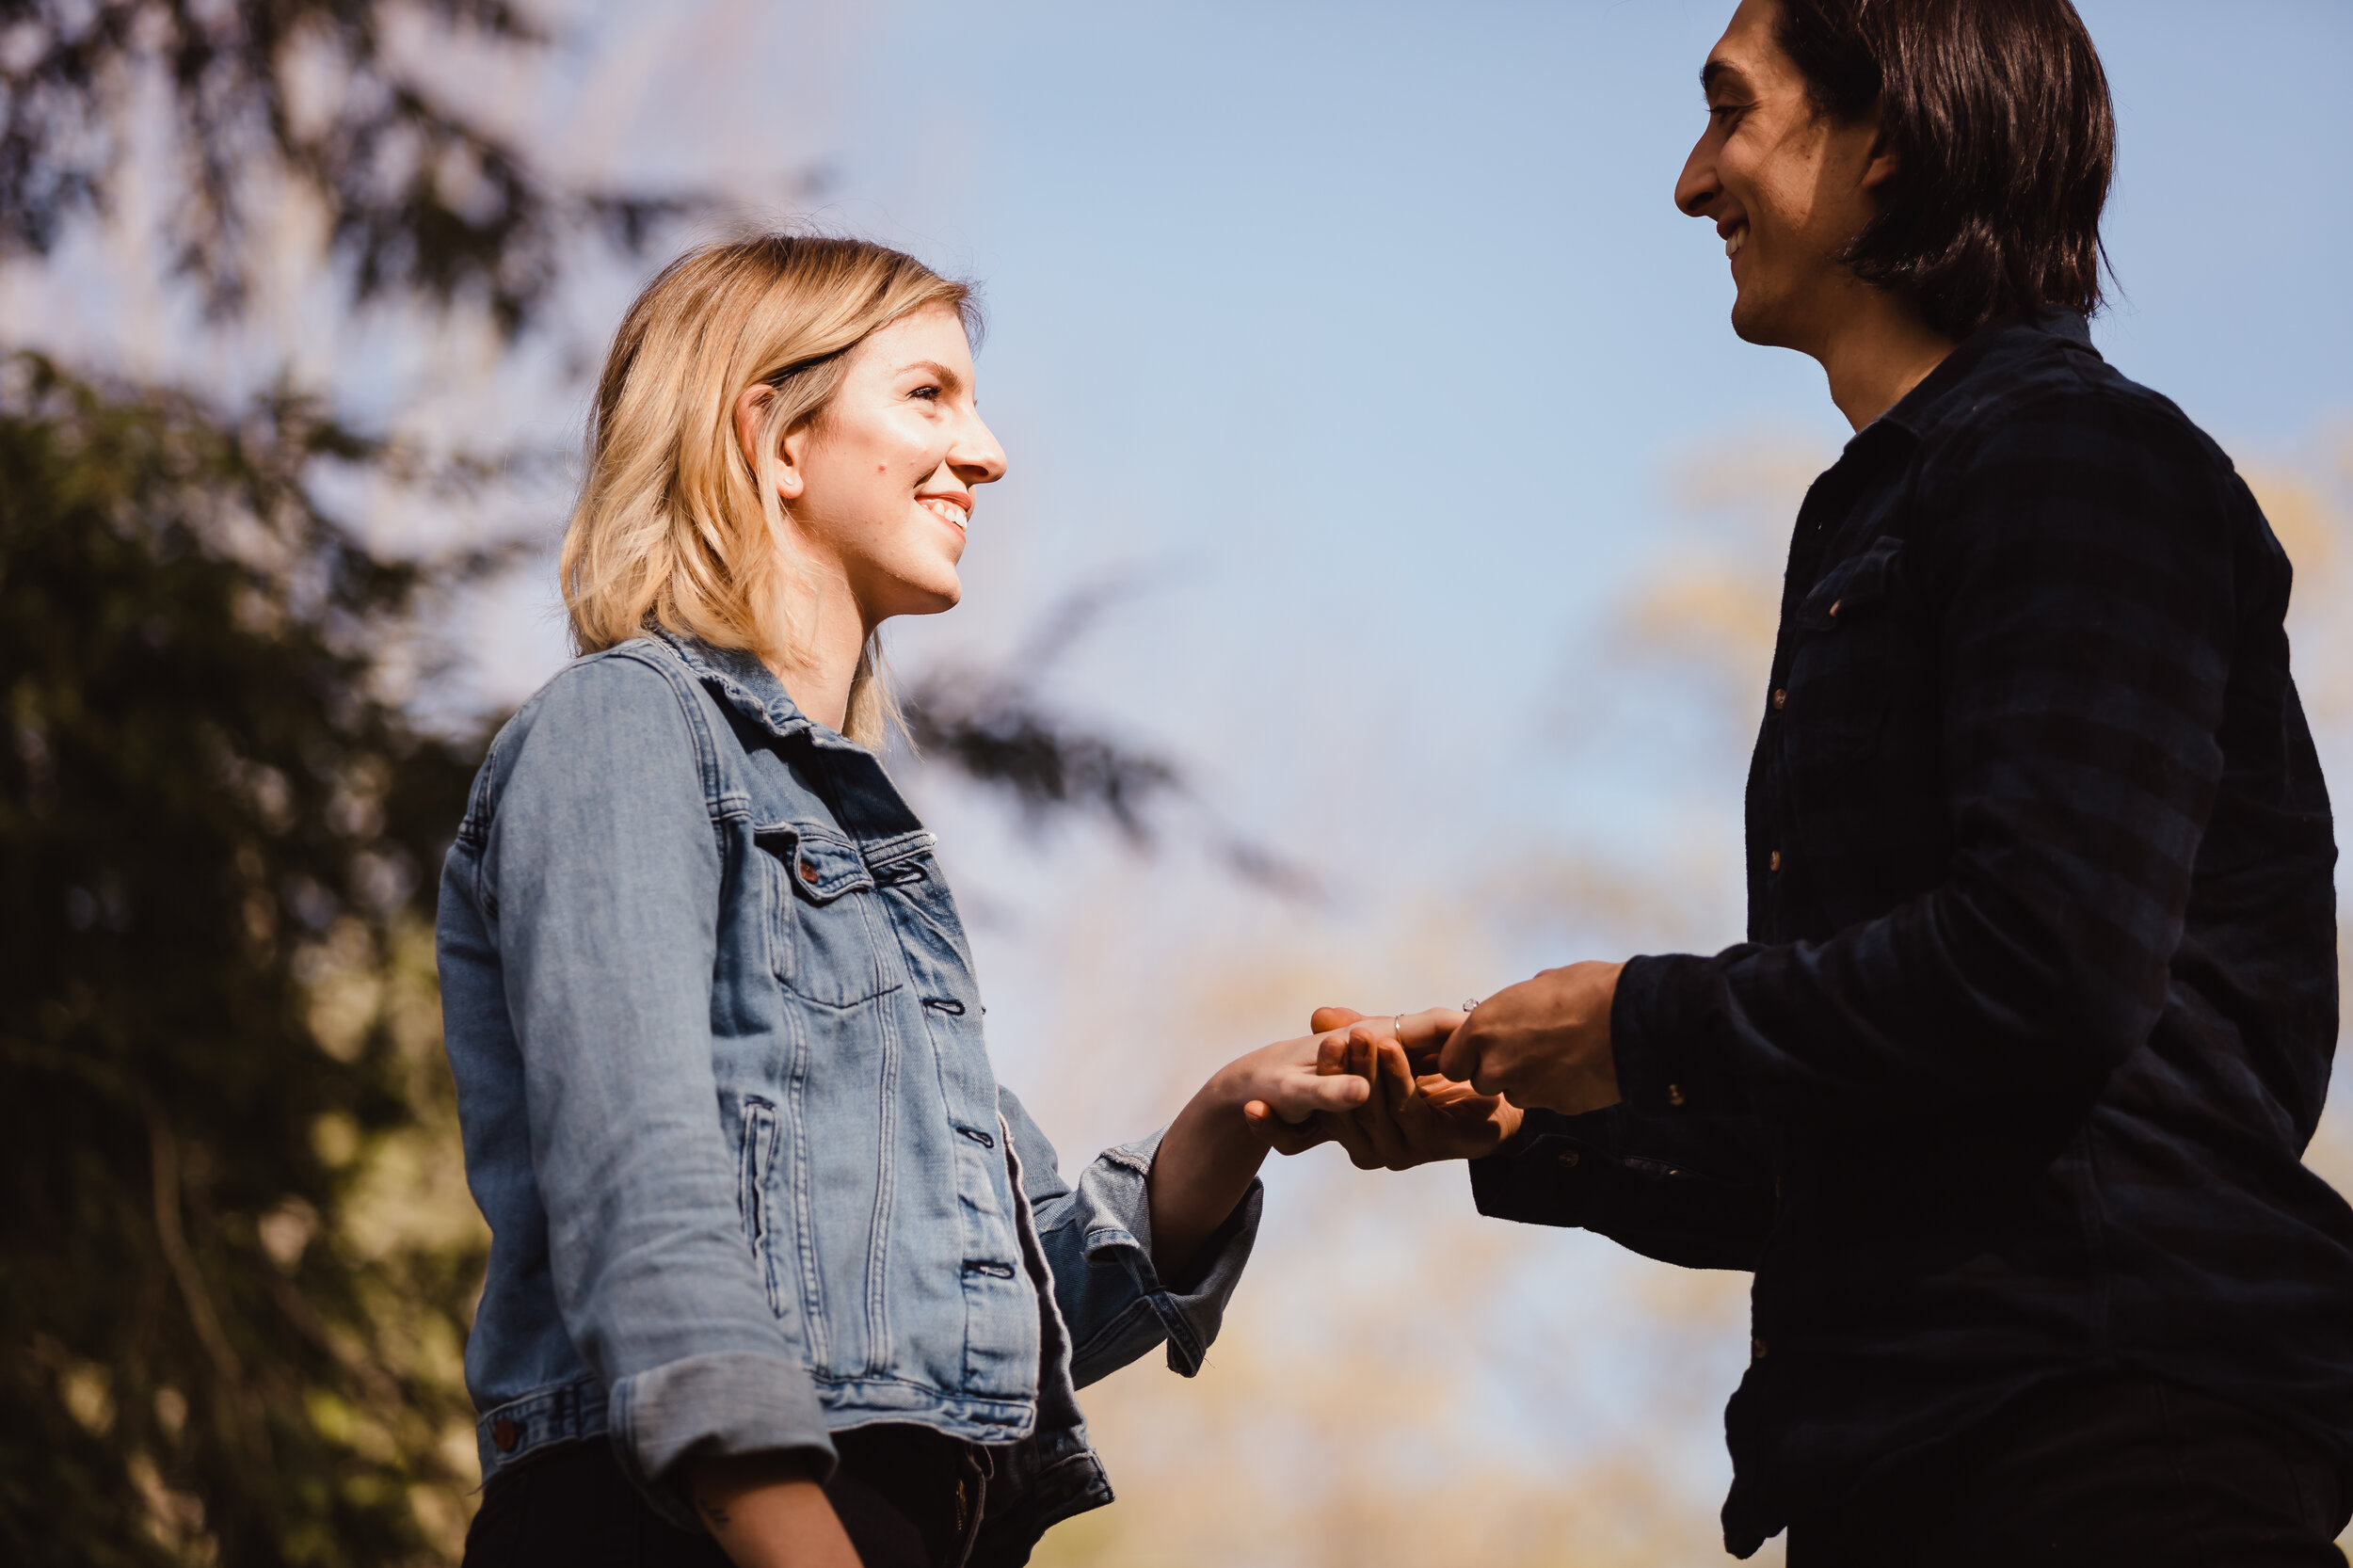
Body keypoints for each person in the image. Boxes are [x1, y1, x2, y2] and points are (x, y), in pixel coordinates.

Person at [1287, 1, 2353, 1562]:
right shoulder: (1878, 515)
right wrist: (1518, 1117)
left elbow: (2045, 967)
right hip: (1910, 1464)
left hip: (2112, 1447)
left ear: (1891, 140)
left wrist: (1632, 1018)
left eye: (1731, 112)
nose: (1690, 179)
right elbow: (1877, 1124)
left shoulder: (2077, 463)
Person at [436, 235, 1373, 1568]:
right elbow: (639, 1192)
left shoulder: (862, 834)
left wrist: (1241, 1110)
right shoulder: (622, 730)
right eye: (929, 395)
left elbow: (1013, 1304)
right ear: (773, 435)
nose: (986, 451)